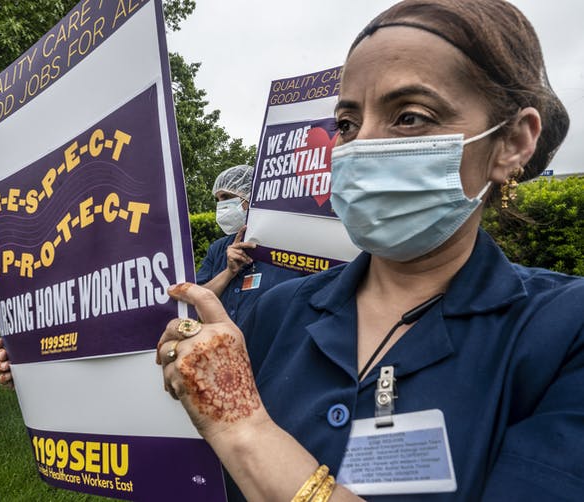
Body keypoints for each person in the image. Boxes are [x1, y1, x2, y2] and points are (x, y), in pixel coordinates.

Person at [154, 1, 584, 500]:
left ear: (511, 142)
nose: (361, 148)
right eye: (347, 124)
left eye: (410, 117)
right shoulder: (278, 311)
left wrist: (242, 427)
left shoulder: (564, 331)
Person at [198, 164, 303, 327]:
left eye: (226, 197)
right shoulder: (217, 249)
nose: (221, 205)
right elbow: (197, 302)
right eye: (218, 199)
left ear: (251, 195)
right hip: (224, 348)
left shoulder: (288, 244)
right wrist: (229, 273)